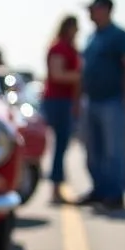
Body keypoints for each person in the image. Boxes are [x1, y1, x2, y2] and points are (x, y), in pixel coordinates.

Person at [78, 0, 125, 210]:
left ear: (106, 10)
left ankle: (115, 194)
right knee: (93, 151)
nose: (90, 13)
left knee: (114, 152)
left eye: (94, 9)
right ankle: (99, 190)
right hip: (91, 101)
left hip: (112, 101)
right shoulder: (92, 37)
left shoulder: (120, 36)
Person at [41, 15, 81, 203]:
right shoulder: (58, 47)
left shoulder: (70, 47)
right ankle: (56, 187)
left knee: (62, 145)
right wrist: (81, 76)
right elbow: (57, 74)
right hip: (57, 101)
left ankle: (58, 184)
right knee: (60, 145)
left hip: (65, 101)